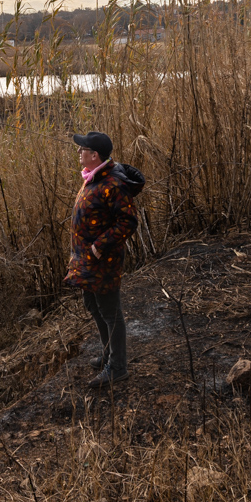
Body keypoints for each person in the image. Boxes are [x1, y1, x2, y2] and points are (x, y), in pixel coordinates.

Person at [65, 131, 143, 388]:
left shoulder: (113, 184)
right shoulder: (94, 177)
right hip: (86, 259)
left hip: (102, 261)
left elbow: (128, 222)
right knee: (93, 304)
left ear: (94, 155)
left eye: (82, 149)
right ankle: (109, 354)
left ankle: (118, 367)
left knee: (110, 311)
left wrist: (100, 245)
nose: (78, 152)